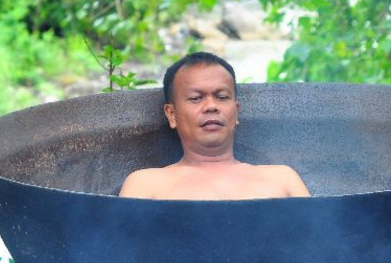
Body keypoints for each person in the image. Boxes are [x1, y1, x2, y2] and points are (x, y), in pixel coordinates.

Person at [119, 52, 310, 200]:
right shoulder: (145, 186)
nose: (211, 106)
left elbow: (321, 245)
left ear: (235, 112)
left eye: (222, 97)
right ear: (172, 114)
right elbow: (120, 248)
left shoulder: (282, 180)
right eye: (196, 98)